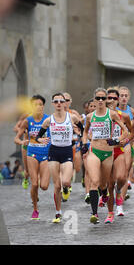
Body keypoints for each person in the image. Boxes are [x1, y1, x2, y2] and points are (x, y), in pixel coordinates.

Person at [81, 88, 128, 224]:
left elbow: (125, 131)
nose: (100, 100)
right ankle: (94, 213)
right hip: (94, 151)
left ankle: (104, 192)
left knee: (103, 184)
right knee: (94, 181)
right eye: (98, 98)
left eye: (103, 98)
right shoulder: (90, 116)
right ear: (94, 100)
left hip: (108, 153)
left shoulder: (112, 114)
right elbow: (85, 133)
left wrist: (117, 140)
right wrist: (84, 143)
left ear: (106, 99)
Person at [37, 93, 83, 223]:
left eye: (61, 101)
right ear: (52, 104)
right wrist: (41, 139)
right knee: (56, 186)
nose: (58, 103)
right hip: (54, 152)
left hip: (67, 151)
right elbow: (38, 136)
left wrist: (81, 135)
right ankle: (58, 213)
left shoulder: (72, 117)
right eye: (55, 101)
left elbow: (84, 129)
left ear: (64, 103)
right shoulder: (48, 120)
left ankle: (66, 188)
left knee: (66, 182)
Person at [14, 95, 51, 220]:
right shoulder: (27, 121)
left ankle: (39, 181)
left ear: (43, 106)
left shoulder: (49, 119)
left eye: (40, 104)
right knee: (34, 184)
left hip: (46, 154)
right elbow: (16, 138)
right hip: (32, 153)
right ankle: (35, 209)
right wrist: (22, 142)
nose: (38, 107)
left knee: (44, 186)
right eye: (35, 105)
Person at [105, 89, 134, 218]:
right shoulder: (100, 115)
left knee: (122, 177)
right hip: (105, 151)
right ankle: (111, 212)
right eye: (109, 98)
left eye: (114, 98)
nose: (111, 101)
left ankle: (119, 193)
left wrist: (125, 140)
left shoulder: (124, 116)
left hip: (119, 150)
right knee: (110, 184)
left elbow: (131, 132)